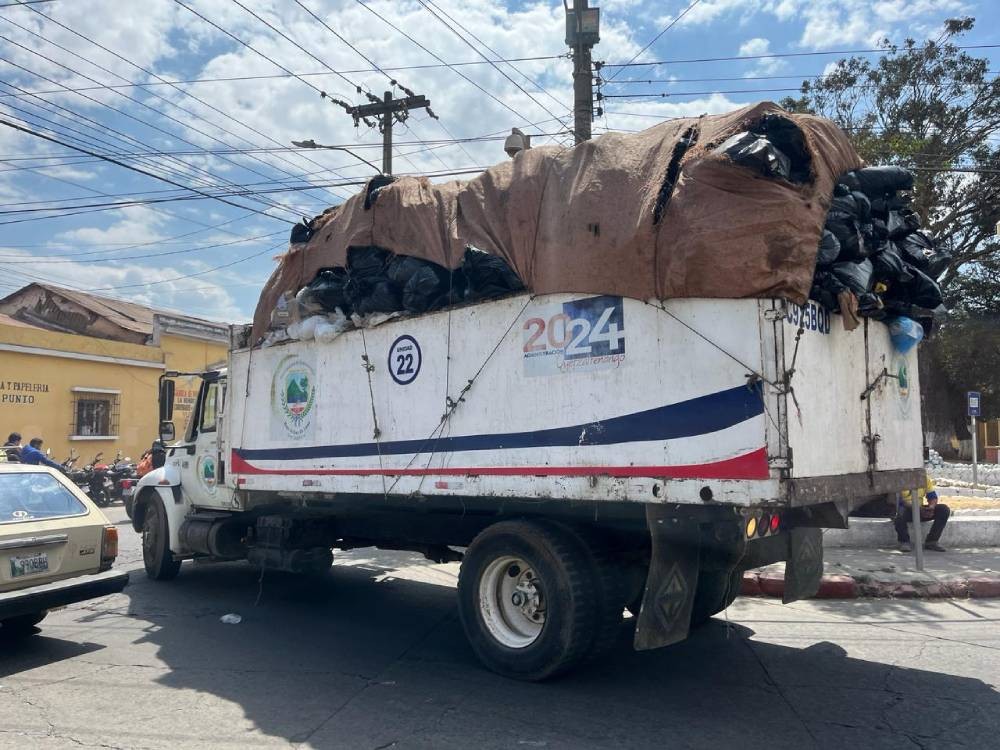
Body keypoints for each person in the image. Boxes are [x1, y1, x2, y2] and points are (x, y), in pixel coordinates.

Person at [894, 476, 950, 552]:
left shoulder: (924, 478)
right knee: (900, 513)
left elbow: (932, 496)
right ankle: (904, 542)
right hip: (906, 509)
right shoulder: (899, 478)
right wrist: (917, 508)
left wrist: (931, 507)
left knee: (944, 510)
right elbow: (898, 501)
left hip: (920, 509)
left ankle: (932, 541)